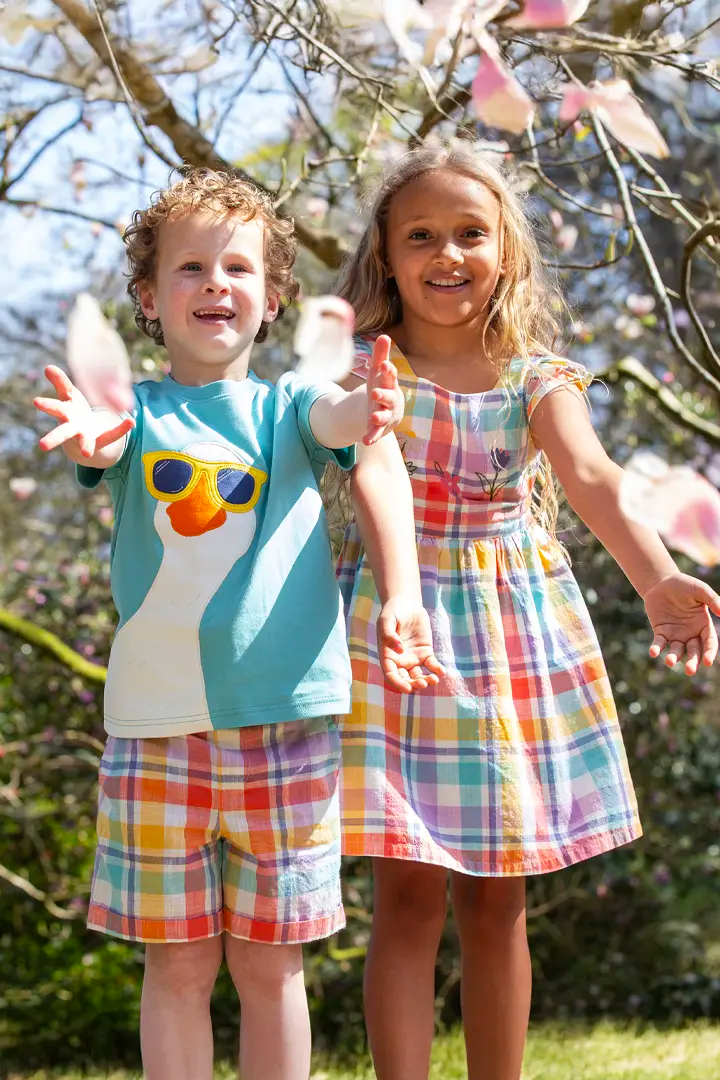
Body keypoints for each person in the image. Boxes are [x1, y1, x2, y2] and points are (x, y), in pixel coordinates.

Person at [33, 167, 440, 1080]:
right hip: (156, 731)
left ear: (273, 299)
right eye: (190, 268)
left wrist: (366, 408)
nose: (216, 283)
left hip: (285, 725)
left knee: (270, 962)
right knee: (176, 963)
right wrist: (99, 442)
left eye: (239, 269)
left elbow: (341, 419)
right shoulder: (133, 413)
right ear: (149, 296)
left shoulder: (291, 406)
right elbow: (104, 443)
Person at [334, 141, 720, 1080]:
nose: (447, 253)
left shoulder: (534, 374)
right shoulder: (361, 369)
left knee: (497, 900)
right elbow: (367, 469)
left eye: (471, 233)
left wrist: (657, 577)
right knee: (409, 896)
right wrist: (399, 590)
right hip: (403, 625)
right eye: (420, 235)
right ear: (386, 255)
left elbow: (591, 477)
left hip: (511, 636)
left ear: (506, 250)